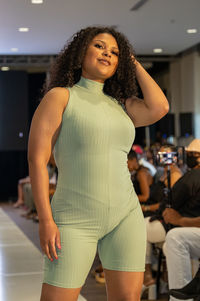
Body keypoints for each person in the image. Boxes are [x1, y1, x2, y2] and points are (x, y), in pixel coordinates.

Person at [28, 26, 169, 301]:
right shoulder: (61, 97)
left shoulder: (122, 105)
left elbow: (160, 107)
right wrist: (45, 218)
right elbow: (36, 159)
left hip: (125, 215)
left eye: (115, 52)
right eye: (99, 46)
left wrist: (133, 62)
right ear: (81, 53)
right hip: (73, 218)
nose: (108, 53)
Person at [143, 139, 200, 295]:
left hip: (175, 223)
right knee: (171, 241)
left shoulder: (185, 176)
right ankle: (174, 290)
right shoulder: (184, 175)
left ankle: (148, 274)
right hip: (176, 221)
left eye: (191, 154)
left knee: (171, 238)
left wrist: (177, 218)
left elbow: (174, 201)